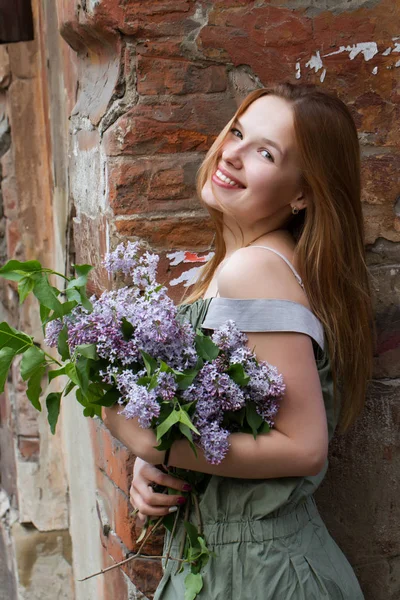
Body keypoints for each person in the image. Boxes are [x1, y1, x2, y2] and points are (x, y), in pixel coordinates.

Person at [102, 82, 374, 599]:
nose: (232, 154)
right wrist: (157, 463)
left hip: (261, 573)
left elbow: (304, 447)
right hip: (235, 564)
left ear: (302, 193)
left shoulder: (255, 269)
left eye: (266, 153)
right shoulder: (230, 268)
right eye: (238, 133)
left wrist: (150, 439)